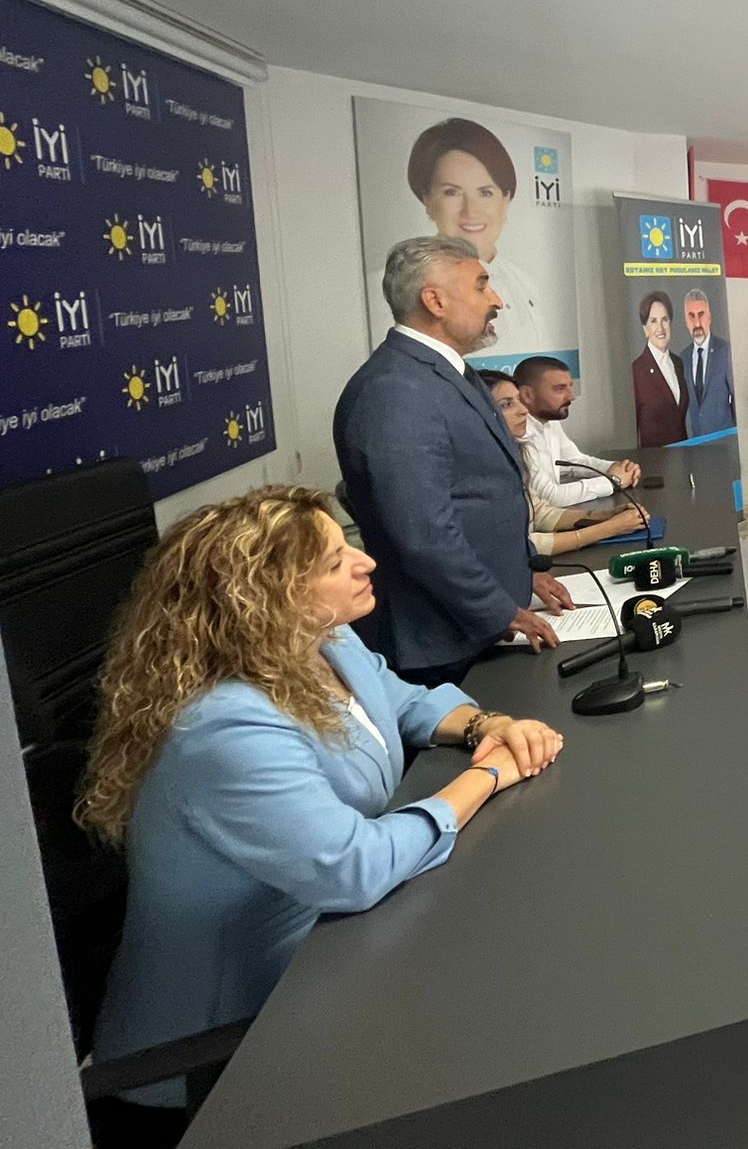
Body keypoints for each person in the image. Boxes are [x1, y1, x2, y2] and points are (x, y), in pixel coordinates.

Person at [77, 487, 562, 1124]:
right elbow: (352, 868)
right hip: (220, 1056)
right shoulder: (223, 726)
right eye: (335, 562)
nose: (366, 563)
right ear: (267, 596)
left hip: (325, 959)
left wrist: (486, 725)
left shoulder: (323, 641)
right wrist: (488, 776)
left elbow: (396, 699)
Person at [334, 236, 567, 684]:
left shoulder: (444, 372)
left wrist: (521, 576)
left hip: (475, 623)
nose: (496, 300)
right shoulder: (395, 391)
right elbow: (423, 532)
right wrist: (498, 607)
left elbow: (479, 495)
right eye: (481, 285)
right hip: (439, 641)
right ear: (435, 301)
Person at [406, 117, 545, 354]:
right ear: (427, 200)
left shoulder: (526, 283)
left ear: (506, 199)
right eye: (451, 192)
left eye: (485, 192)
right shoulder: (405, 286)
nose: (470, 210)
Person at [481, 372, 648, 556]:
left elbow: (540, 513)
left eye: (519, 400)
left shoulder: (515, 450)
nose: (523, 410)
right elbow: (525, 544)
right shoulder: (476, 472)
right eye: (507, 404)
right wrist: (610, 528)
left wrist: (606, 515)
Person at [513, 355, 642, 510]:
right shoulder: (517, 434)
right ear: (527, 395)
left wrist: (620, 468)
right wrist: (613, 480)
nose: (571, 396)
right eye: (560, 389)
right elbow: (549, 497)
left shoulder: (550, 421)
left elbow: (575, 461)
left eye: (570, 386)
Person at [629, 289, 688, 447]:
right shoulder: (636, 371)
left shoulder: (678, 363)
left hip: (684, 455)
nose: (660, 328)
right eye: (653, 321)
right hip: (654, 459)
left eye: (665, 320)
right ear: (645, 328)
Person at [679, 287, 737, 436]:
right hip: (696, 439)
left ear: (709, 317)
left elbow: (736, 398)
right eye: (691, 316)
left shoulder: (725, 350)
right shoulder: (683, 358)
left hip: (725, 437)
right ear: (685, 321)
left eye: (701, 314)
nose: (697, 323)